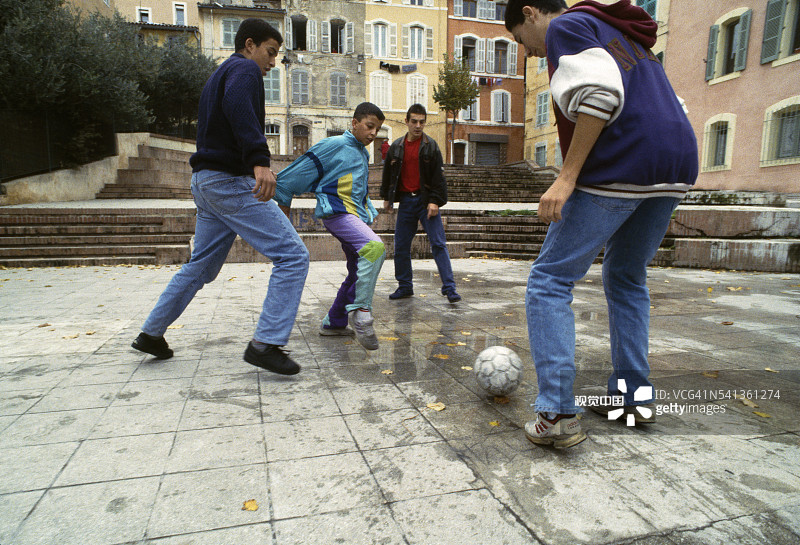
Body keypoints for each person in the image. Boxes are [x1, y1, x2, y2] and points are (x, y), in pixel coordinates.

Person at [504, 0, 698, 448]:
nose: (529, 52)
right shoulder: (621, 33)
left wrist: (567, 176)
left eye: (519, 39)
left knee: (550, 280)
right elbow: (672, 100)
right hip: (676, 161)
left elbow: (599, 95)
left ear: (531, 13)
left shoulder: (567, 27)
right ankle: (632, 398)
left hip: (624, 160)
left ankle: (556, 413)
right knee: (627, 277)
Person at [131, 19, 309, 375]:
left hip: (206, 183)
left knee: (201, 266)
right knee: (293, 255)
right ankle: (266, 343)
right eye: (270, 53)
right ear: (249, 44)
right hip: (229, 182)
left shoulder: (219, 74)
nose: (272, 63)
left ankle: (151, 333)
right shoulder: (244, 69)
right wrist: (260, 160)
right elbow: (239, 109)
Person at [274, 102, 386, 351]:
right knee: (375, 248)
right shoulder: (332, 145)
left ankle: (334, 323)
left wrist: (366, 214)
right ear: (354, 123)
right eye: (369, 127)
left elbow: (356, 189)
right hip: (337, 215)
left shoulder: (361, 152)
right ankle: (361, 311)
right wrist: (282, 228)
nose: (373, 134)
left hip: (354, 217)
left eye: (377, 130)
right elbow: (285, 182)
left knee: (358, 270)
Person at [380, 104, 461, 303]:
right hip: (406, 201)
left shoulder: (431, 146)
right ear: (406, 121)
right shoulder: (397, 147)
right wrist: (387, 198)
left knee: (438, 244)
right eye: (414, 121)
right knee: (401, 246)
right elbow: (388, 175)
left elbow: (438, 178)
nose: (418, 126)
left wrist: (435, 201)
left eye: (422, 122)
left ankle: (449, 288)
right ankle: (405, 286)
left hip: (426, 202)